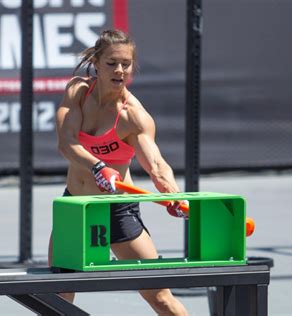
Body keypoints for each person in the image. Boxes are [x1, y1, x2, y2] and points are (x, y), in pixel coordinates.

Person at [49, 29, 189, 316]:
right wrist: (99, 166)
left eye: (126, 64)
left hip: (117, 211)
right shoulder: (77, 91)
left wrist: (173, 193)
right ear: (97, 64)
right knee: (56, 300)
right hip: (75, 207)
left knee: (160, 297)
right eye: (112, 63)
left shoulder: (133, 116)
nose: (120, 70)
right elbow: (66, 143)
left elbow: (156, 164)